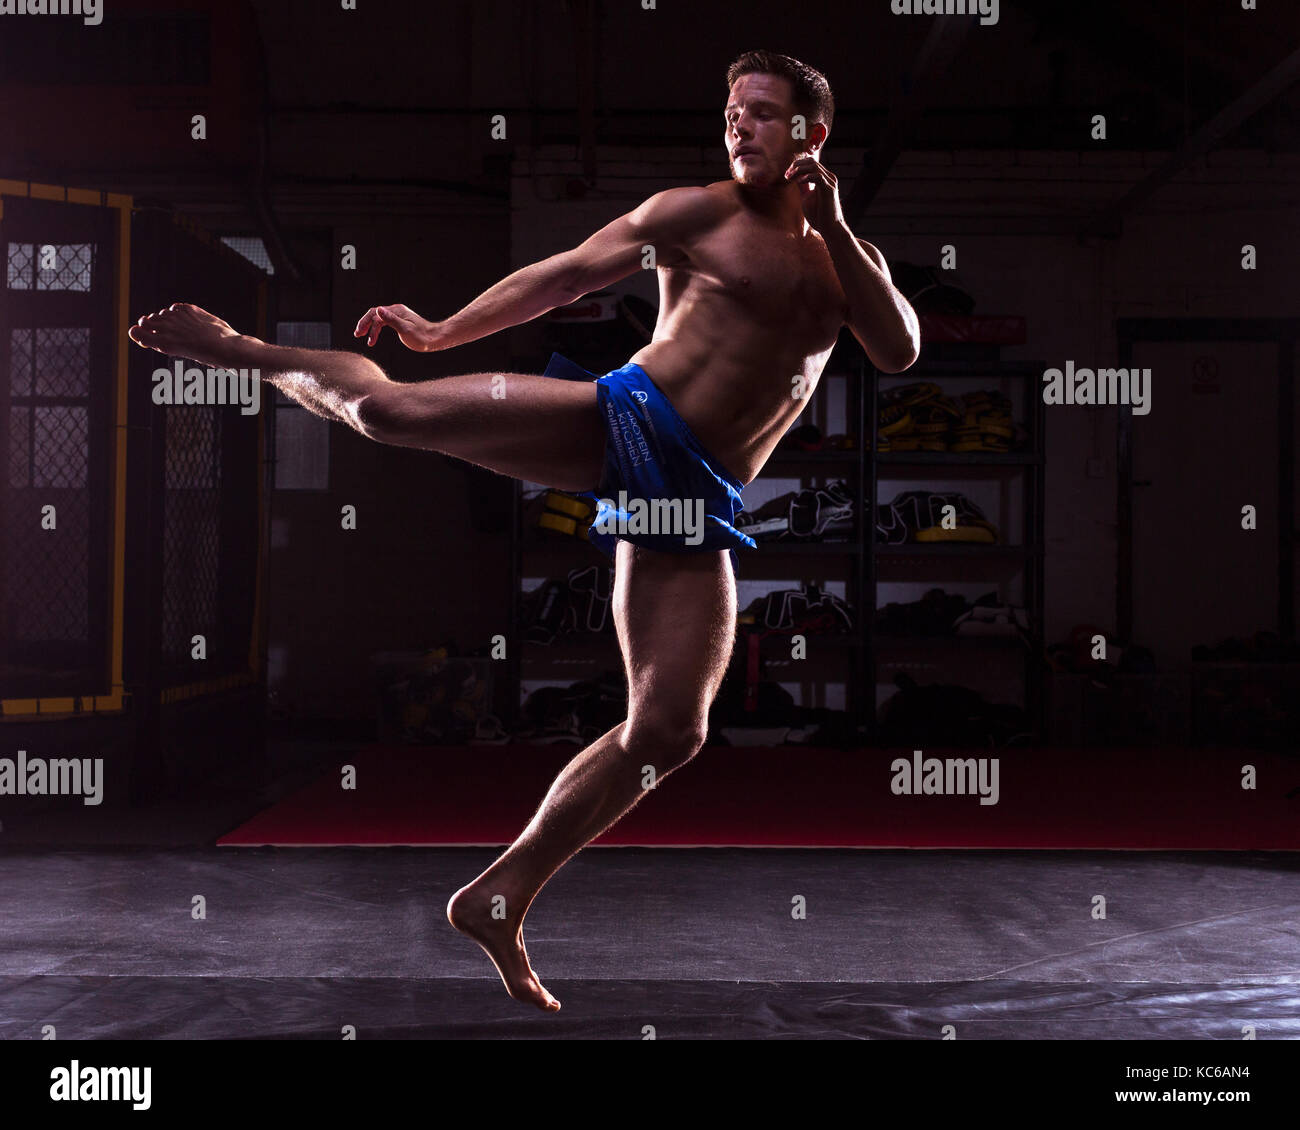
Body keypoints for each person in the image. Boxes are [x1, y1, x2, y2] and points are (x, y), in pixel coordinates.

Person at [128, 50, 919, 1012]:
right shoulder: (693, 215)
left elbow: (899, 347)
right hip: (628, 420)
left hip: (698, 495)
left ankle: (500, 895)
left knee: (671, 731)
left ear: (811, 136)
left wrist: (836, 225)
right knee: (393, 414)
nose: (738, 127)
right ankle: (242, 348)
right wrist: (439, 332)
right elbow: (566, 275)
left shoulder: (844, 260)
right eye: (731, 111)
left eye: (760, 113)